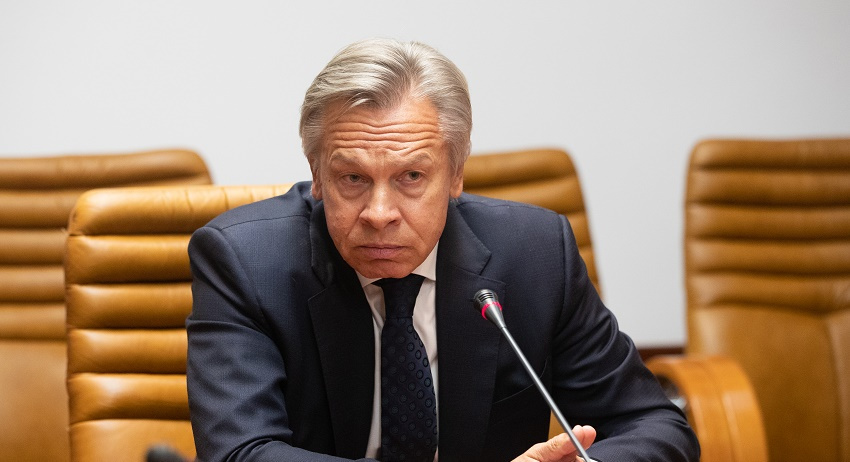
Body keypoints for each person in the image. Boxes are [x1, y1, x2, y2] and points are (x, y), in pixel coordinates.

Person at [186, 38, 699, 462]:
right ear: (317, 175)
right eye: (352, 178)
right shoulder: (245, 262)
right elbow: (240, 452)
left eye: (411, 176)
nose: (379, 212)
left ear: (455, 176)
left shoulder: (537, 255)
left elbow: (653, 426)